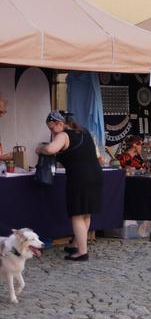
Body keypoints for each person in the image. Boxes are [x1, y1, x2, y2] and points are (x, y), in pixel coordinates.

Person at [36, 111, 103, 261]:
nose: (52, 132)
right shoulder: (83, 131)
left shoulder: (63, 135)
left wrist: (40, 148)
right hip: (96, 174)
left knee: (77, 214)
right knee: (86, 213)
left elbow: (51, 149)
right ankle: (77, 245)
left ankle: (82, 252)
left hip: (80, 177)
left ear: (60, 124)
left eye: (52, 128)